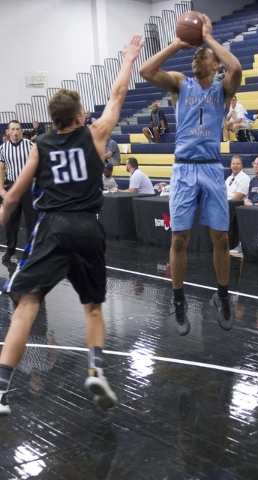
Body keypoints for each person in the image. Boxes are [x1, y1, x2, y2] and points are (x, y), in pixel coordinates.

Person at [0, 34, 144, 417]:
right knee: (93, 309)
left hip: (52, 226)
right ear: (80, 116)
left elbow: (15, 193)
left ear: (53, 120)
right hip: (87, 227)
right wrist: (128, 58)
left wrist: (2, 216)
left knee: (27, 305)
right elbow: (117, 95)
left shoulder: (41, 144)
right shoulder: (96, 135)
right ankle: (95, 369)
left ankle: (1, 390)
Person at [139, 13, 242, 335]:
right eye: (195, 55)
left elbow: (236, 68)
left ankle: (223, 295)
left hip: (211, 168)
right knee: (179, 239)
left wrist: (208, 39)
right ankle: (179, 299)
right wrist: (177, 43)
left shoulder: (223, 90)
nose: (197, 58)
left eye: (203, 56)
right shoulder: (179, 83)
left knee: (221, 238)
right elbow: (145, 71)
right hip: (183, 169)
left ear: (214, 65)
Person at [0, 120, 37, 264]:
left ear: (21, 131)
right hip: (11, 186)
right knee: (11, 223)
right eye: (13, 129)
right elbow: (1, 169)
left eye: (18, 129)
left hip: (28, 186)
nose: (15, 131)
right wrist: (1, 188)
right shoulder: (3, 148)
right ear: (8, 132)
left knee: (31, 222)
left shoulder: (29, 145)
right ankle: (10, 252)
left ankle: (30, 254)